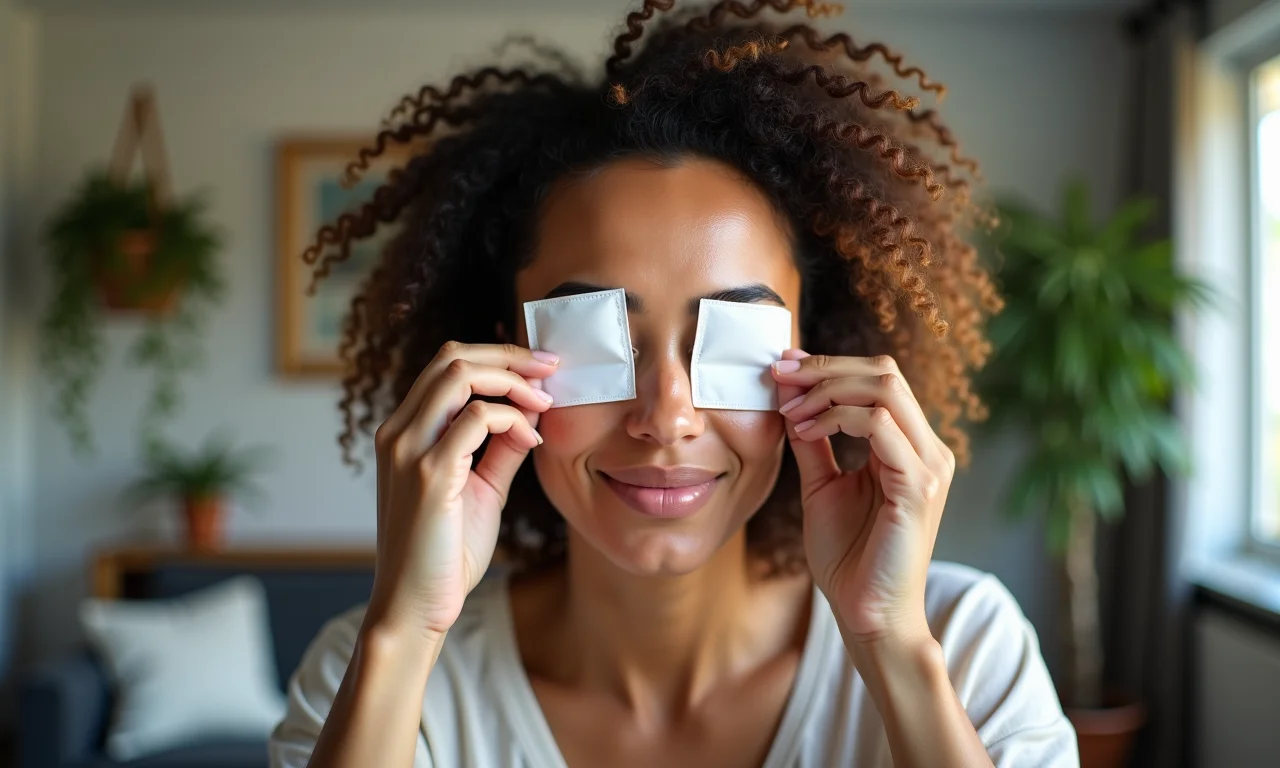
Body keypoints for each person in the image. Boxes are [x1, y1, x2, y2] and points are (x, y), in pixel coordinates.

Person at [268, 1, 1078, 766]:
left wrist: (890, 648)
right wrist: (405, 629)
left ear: (819, 356)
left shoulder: (962, 644)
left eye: (731, 342)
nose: (668, 416)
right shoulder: (371, 671)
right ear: (500, 357)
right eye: (598, 339)